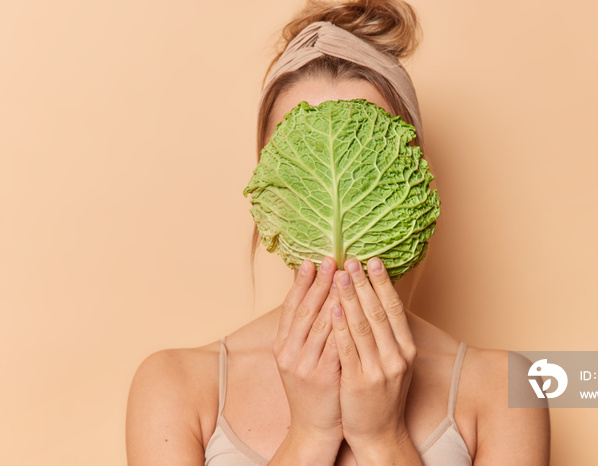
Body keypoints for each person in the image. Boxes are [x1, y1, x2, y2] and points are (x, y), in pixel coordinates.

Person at [126, 1, 550, 464]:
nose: (336, 192)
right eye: (303, 158)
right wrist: (310, 433)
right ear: (269, 184)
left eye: (364, 161)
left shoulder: (508, 388)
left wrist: (382, 438)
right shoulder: (174, 386)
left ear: (410, 177)